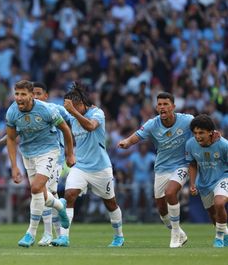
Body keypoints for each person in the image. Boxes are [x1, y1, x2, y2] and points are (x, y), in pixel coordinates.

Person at [51, 82, 125, 247]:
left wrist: (73, 112)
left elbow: (90, 126)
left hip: (101, 168)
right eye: (71, 107)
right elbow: (54, 111)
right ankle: (64, 237)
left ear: (82, 103)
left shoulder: (97, 113)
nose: (72, 109)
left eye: (75, 106)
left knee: (110, 203)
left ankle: (119, 236)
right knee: (69, 195)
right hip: (81, 166)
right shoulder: (71, 115)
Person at [5, 80, 74, 248]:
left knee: (36, 188)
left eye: (23, 94)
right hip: (28, 154)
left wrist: (70, 154)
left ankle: (31, 233)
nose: (19, 98)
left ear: (31, 95)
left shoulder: (47, 110)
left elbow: (65, 128)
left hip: (49, 152)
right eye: (17, 94)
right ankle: (59, 205)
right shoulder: (12, 112)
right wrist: (14, 166)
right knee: (42, 194)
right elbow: (11, 138)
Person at [118, 92, 190, 248]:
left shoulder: (187, 120)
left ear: (173, 107)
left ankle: (175, 235)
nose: (162, 107)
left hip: (181, 165)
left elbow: (203, 127)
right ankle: (180, 233)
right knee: (162, 210)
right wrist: (127, 142)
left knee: (170, 193)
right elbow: (137, 135)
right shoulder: (152, 123)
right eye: (160, 104)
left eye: (166, 104)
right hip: (162, 168)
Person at [31, 81, 71, 246]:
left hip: (55, 158)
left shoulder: (57, 109)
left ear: (46, 96)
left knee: (44, 192)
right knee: (50, 196)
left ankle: (48, 234)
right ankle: (61, 236)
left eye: (38, 93)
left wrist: (71, 151)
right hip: (36, 158)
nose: (35, 96)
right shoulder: (29, 112)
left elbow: (71, 124)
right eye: (33, 93)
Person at [185, 114, 228, 248]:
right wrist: (192, 183)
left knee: (219, 203)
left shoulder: (224, 145)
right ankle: (225, 234)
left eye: (201, 133)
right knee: (212, 213)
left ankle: (219, 238)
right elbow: (192, 164)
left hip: (222, 177)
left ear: (211, 132)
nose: (198, 136)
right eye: (195, 133)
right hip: (204, 183)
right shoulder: (190, 144)